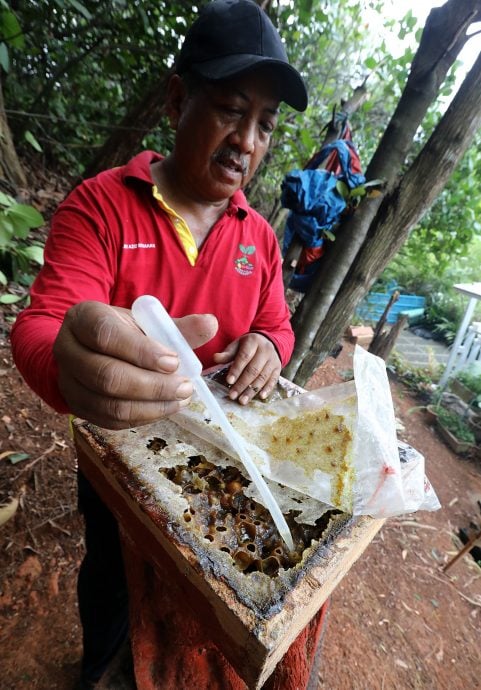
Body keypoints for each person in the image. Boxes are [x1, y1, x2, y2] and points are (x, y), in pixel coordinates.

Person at [10, 1, 308, 687]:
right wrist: (67, 358)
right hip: (117, 464)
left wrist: (269, 342)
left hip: (215, 467)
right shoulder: (102, 205)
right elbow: (44, 322)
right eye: (232, 109)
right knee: (113, 582)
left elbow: (277, 324)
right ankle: (96, 668)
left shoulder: (258, 239)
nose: (248, 142)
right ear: (177, 100)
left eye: (264, 124)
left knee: (197, 601)